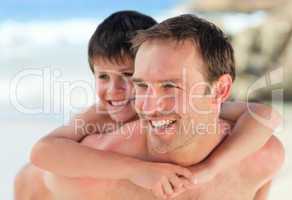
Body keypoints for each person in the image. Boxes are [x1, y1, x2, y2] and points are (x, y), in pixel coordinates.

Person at [14, 13, 284, 200]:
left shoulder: (257, 153)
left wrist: (211, 168)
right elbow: (43, 154)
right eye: (143, 85)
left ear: (220, 90)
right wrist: (135, 170)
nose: (117, 91)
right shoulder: (99, 122)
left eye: (169, 85)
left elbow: (263, 115)